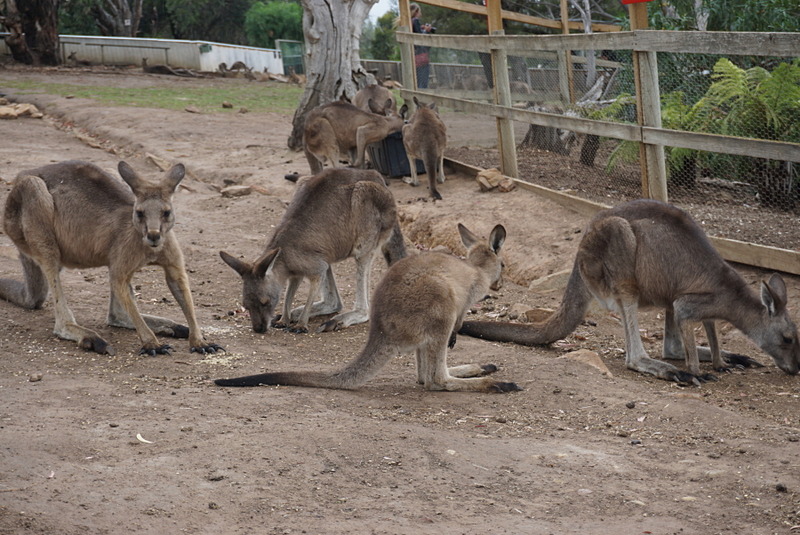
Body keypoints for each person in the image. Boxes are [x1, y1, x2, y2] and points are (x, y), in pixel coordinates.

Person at [410, 3, 433, 89]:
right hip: (421, 57)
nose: (421, 14)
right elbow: (420, 39)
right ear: (416, 12)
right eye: (419, 12)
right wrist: (426, 31)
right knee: (423, 83)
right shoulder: (415, 20)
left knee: (416, 82)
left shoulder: (409, 22)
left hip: (413, 57)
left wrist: (421, 28)